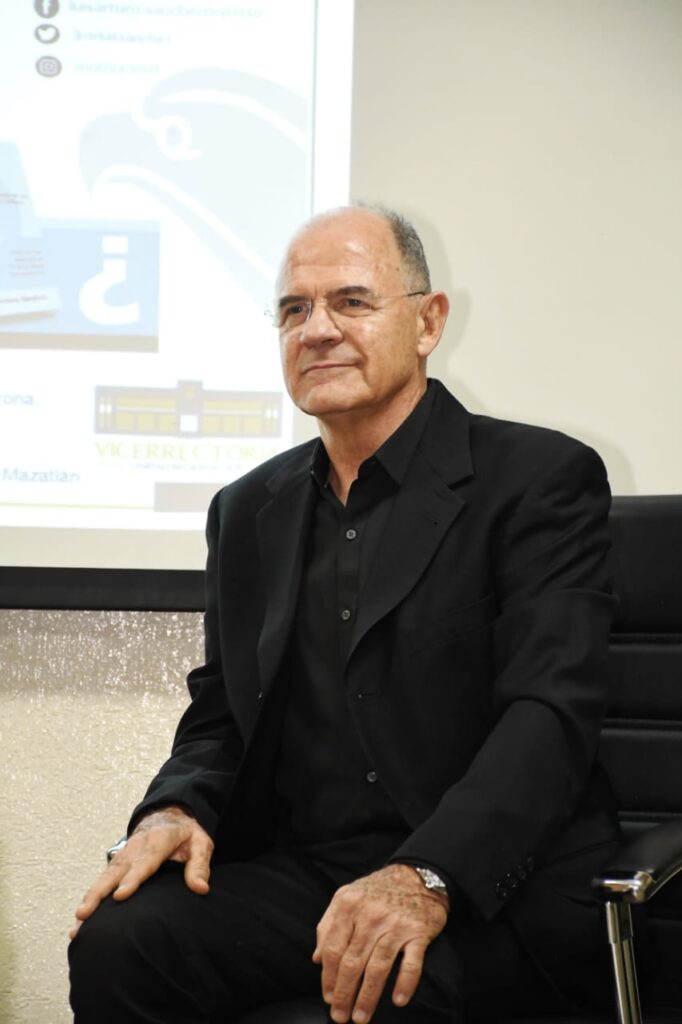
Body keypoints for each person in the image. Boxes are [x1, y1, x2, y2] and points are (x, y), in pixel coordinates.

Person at [69, 205, 619, 1024]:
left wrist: (427, 876)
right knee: (120, 941)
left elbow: (549, 716)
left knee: (384, 992)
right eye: (294, 309)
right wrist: (174, 808)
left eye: (352, 302)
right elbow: (223, 713)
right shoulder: (246, 509)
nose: (317, 329)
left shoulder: (539, 479)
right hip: (310, 874)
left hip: (491, 881)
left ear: (428, 322)